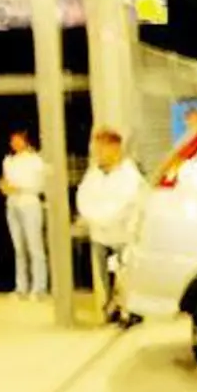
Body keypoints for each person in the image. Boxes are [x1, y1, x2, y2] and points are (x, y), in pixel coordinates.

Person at [76, 129, 146, 327]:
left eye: (101, 148)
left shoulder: (129, 175)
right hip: (100, 235)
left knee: (125, 275)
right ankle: (110, 308)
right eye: (96, 148)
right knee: (104, 277)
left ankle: (129, 311)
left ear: (114, 148)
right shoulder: (94, 173)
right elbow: (84, 198)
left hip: (123, 235)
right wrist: (93, 217)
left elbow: (125, 204)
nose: (98, 153)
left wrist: (102, 217)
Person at [2, 130, 49, 300]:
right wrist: (6, 187)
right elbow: (6, 180)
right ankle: (21, 286)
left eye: (17, 140)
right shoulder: (8, 161)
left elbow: (39, 185)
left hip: (29, 203)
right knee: (19, 248)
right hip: (12, 204)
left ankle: (39, 287)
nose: (14, 143)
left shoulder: (36, 160)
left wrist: (20, 188)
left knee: (34, 246)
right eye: (12, 140)